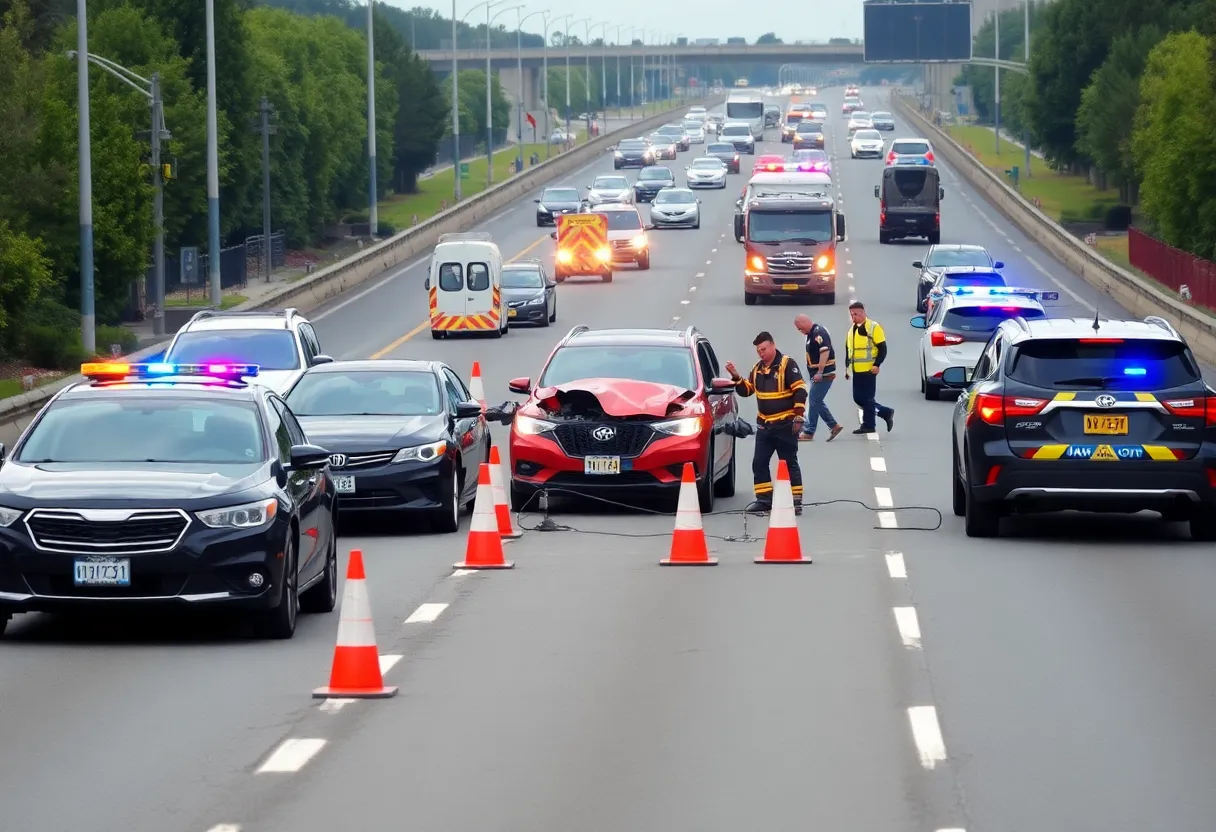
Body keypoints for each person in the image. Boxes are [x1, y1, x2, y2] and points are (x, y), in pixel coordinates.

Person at [726, 331, 808, 514]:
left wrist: (799, 415)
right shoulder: (757, 369)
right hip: (765, 426)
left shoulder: (788, 365)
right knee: (759, 463)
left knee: (788, 462)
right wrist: (736, 377)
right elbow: (747, 391)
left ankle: (795, 502)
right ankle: (764, 500)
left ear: (773, 345)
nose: (761, 353)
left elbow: (800, 390)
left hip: (785, 425)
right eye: (758, 350)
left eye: (763, 349)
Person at [844, 300, 895, 435]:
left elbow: (882, 348)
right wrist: (847, 369)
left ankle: (869, 425)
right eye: (852, 314)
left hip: (868, 369)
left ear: (863, 313)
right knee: (858, 398)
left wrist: (877, 365)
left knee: (867, 399)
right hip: (856, 370)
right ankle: (885, 412)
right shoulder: (852, 329)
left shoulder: (873, 327)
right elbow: (849, 350)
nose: (854, 317)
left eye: (856, 314)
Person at [794, 314, 843, 442]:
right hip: (819, 373)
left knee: (814, 400)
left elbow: (824, 351)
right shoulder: (812, 334)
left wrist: (820, 371)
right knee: (816, 400)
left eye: (799, 328)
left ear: (805, 323)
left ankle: (810, 431)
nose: (800, 331)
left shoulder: (818, 333)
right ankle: (833, 426)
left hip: (824, 373)